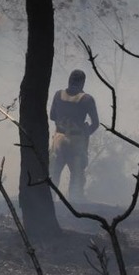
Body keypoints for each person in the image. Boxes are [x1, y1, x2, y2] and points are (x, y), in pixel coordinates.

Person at [49, 69, 99, 201]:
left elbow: (52, 116)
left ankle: (48, 204)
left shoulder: (58, 95)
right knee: (77, 177)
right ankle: (75, 207)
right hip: (77, 141)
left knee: (53, 174)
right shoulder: (87, 99)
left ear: (69, 80)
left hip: (59, 138)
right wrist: (85, 133)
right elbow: (95, 123)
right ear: (82, 83)